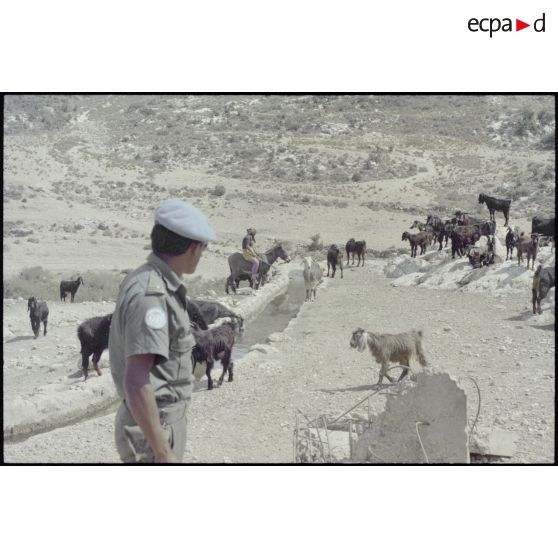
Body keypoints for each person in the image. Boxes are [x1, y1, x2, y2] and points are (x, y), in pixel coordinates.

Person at [109, 198, 216, 463]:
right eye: (203, 249)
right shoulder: (152, 295)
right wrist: (162, 451)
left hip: (157, 422)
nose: (201, 256)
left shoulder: (151, 279)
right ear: (193, 247)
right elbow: (136, 380)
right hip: (154, 427)